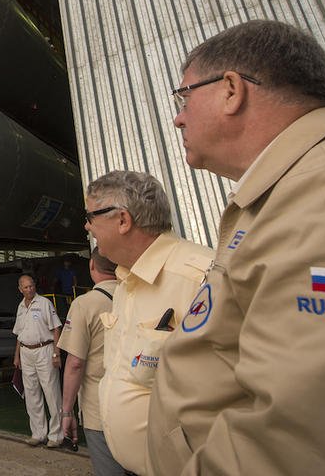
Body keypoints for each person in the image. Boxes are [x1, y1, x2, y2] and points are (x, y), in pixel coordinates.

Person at [147, 20, 325, 475]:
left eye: (184, 97)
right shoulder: (286, 193)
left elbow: (302, 438)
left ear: (231, 90)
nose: (178, 117)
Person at [86, 171, 213, 475]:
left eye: (90, 216)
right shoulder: (126, 282)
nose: (87, 226)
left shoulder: (202, 278)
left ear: (123, 220)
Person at [58, 247, 124, 476]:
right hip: (137, 406)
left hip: (100, 409)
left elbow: (75, 363)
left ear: (92, 265)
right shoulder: (136, 297)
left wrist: (67, 412)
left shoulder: (84, 304)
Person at [12, 273, 63, 448]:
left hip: (44, 351)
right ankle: (38, 433)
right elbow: (19, 334)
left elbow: (56, 329)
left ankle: (56, 435)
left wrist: (56, 354)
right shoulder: (20, 307)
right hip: (26, 352)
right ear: (20, 289)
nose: (29, 289)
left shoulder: (44, 303)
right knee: (31, 394)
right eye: (26, 287)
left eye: (31, 286)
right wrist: (17, 356)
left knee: (51, 393)